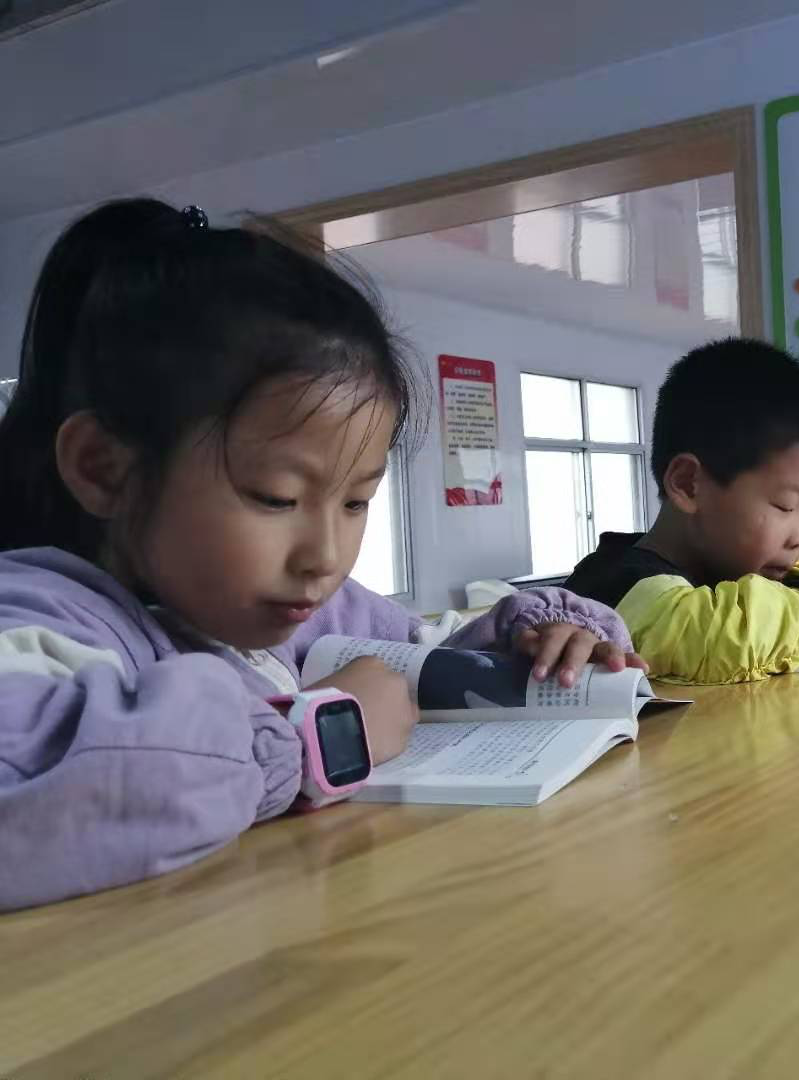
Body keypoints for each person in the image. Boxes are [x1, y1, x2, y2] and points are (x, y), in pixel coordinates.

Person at [0, 199, 637, 910]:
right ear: (106, 470)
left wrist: (539, 637)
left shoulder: (310, 612)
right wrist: (318, 737)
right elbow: (31, 782)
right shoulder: (39, 617)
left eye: (356, 502)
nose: (325, 557)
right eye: (275, 498)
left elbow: (421, 655)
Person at [565, 338, 799, 684]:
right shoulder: (619, 583)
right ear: (688, 484)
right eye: (785, 505)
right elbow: (716, 641)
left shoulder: (730, 569)